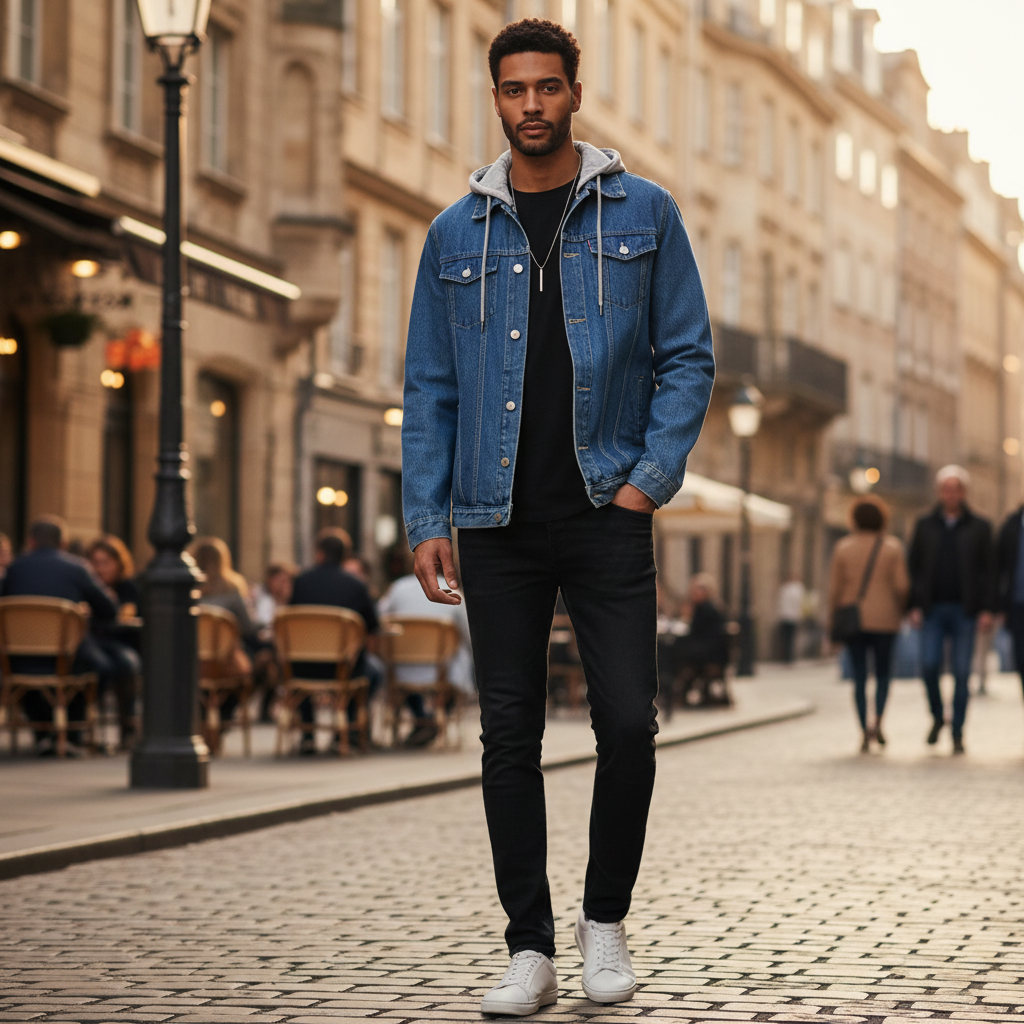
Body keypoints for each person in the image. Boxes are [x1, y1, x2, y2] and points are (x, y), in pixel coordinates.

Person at [401, 19, 714, 1015]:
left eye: (546, 87)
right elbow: (431, 386)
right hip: (492, 519)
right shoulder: (455, 233)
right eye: (513, 89)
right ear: (496, 97)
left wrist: (646, 480)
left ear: (575, 90)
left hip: (603, 507)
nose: (530, 105)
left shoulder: (646, 212)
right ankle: (529, 947)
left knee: (628, 722)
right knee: (507, 733)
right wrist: (427, 514)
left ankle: (603, 920)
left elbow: (688, 356)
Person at [1, 515, 118, 754]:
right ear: (63, 543)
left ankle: (43, 731)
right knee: (102, 667)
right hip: (65, 660)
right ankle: (73, 732)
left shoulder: (13, 569)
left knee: (29, 676)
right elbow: (109, 609)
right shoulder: (77, 568)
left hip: (16, 660)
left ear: (31, 542)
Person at [908, 466, 994, 754]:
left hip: (965, 611)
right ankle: (937, 716)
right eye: (946, 489)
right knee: (929, 665)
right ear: (939, 492)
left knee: (962, 672)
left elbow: (989, 571)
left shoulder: (980, 526)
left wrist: (987, 608)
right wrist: (914, 604)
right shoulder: (925, 525)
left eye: (956, 489)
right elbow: (914, 567)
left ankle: (958, 730)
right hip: (931, 609)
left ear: (964, 493)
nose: (951, 495)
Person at [827, 497, 909, 753]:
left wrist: (831, 623)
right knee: (883, 674)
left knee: (860, 677)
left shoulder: (843, 547)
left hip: (854, 621)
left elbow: (834, 590)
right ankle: (878, 722)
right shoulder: (892, 548)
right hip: (885, 620)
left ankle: (863, 729)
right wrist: (900, 608)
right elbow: (902, 586)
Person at [289, 528, 381, 753]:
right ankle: (348, 730)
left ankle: (308, 735)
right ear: (345, 556)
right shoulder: (357, 585)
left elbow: (291, 621)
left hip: (303, 667)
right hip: (344, 669)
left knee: (300, 660)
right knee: (374, 671)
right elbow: (372, 627)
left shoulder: (301, 581)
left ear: (319, 553)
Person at [378, 563, 475, 748]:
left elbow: (380, 619)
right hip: (442, 672)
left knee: (401, 679)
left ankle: (422, 719)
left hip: (401, 668)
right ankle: (434, 720)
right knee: (463, 656)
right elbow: (469, 634)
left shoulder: (397, 588)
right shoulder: (452, 591)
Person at [86, 535, 143, 749]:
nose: (100, 568)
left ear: (119, 564)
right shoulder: (88, 586)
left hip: (121, 643)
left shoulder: (129, 588)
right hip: (93, 644)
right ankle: (85, 726)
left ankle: (129, 727)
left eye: (105, 562)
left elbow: (133, 620)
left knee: (127, 664)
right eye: (95, 562)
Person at [994, 498, 1024, 701]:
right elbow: (998, 567)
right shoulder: (1011, 526)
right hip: (1017, 602)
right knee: (1020, 655)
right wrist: (999, 606)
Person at [777, 575, 805, 663]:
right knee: (791, 639)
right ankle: (790, 657)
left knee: (786, 638)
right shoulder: (797, 589)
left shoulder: (784, 589)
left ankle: (786, 657)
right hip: (793, 617)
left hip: (784, 616)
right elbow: (800, 603)